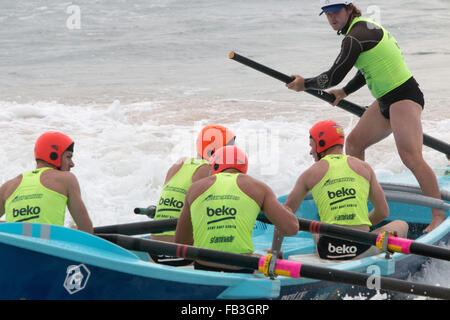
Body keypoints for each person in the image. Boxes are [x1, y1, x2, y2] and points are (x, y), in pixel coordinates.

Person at [286, 1, 445, 233]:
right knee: (354, 143)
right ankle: (359, 209)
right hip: (384, 101)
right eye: (327, 14)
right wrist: (345, 92)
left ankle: (438, 215)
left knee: (411, 157)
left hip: (404, 96)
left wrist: (304, 84)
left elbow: (332, 76)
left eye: (336, 12)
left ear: (349, 9)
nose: (332, 18)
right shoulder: (363, 29)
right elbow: (366, 68)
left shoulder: (355, 37)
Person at [281, 120, 408, 260]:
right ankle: (387, 256)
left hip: (327, 250)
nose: (311, 152)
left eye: (312, 146)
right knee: (402, 224)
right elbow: (383, 212)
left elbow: (284, 215)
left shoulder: (309, 174)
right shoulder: (364, 167)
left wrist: (274, 248)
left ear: (322, 144)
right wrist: (361, 224)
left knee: (316, 228)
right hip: (361, 248)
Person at [175, 145, 299, 273]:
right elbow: (291, 228)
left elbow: (181, 242)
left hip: (204, 266)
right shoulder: (257, 187)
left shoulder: (195, 188)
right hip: (241, 267)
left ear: (215, 166)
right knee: (262, 256)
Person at [150, 125, 236, 265]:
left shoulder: (176, 166)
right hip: (184, 256)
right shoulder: (208, 171)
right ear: (215, 149)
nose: (232, 152)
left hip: (154, 251)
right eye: (230, 147)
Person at [0, 131, 93, 233]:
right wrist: (72, 231)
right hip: (48, 244)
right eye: (68, 157)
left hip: (14, 245)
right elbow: (87, 230)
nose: (72, 164)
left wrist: (13, 225)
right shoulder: (67, 179)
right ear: (54, 155)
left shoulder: (7, 187)